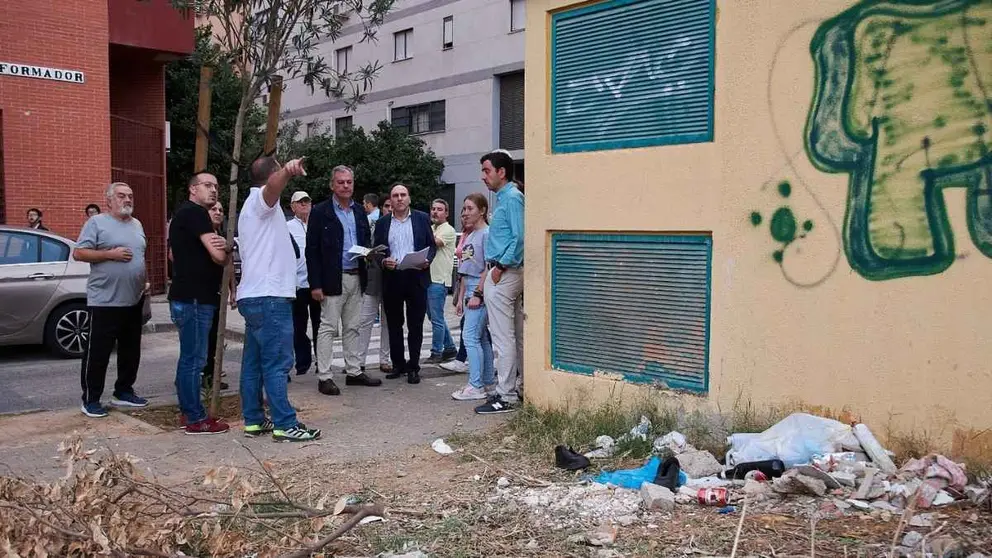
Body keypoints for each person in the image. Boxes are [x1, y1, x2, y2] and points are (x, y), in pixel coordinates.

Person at [238, 156, 321, 441]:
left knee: (254, 363)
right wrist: (288, 171)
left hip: (256, 296)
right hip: (269, 297)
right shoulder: (261, 202)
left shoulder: (252, 207)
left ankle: (253, 420)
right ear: (272, 174)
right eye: (278, 170)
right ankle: (285, 424)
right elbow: (272, 188)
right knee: (277, 363)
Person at [74, 182, 149, 417]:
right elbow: (79, 253)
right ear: (109, 201)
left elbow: (140, 256)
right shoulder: (97, 223)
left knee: (130, 352)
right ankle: (91, 399)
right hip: (104, 301)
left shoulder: (137, 224)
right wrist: (110, 254)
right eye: (121, 196)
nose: (127, 200)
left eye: (130, 196)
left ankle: (123, 392)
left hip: (133, 299)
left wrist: (144, 283)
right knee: (98, 353)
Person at [306, 166, 380, 396]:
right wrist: (315, 284)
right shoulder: (320, 212)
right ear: (332, 185)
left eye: (349, 182)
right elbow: (312, 250)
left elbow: (364, 240)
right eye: (341, 182)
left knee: (353, 327)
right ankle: (324, 376)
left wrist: (369, 253)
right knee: (328, 327)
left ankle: (354, 371)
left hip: (356, 275)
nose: (346, 186)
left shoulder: (359, 211)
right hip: (332, 278)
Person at [169, 173, 231, 434]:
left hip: (188, 296)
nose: (213, 190)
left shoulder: (184, 214)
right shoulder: (196, 214)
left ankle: (189, 411)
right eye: (207, 185)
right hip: (194, 298)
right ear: (193, 189)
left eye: (216, 186)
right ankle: (195, 418)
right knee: (194, 361)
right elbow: (219, 256)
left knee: (189, 359)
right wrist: (227, 247)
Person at [473, 151, 524, 414]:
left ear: (501, 172)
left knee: (504, 338)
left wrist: (501, 267)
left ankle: (506, 395)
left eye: (487, 171)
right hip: (504, 271)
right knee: (514, 335)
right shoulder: (507, 197)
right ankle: (518, 388)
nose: (483, 176)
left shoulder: (512, 198)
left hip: (505, 272)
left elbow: (520, 237)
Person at [375, 183, 436, 384]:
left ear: (409, 198)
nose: (399, 198)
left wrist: (428, 260)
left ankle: (414, 367)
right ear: (390, 200)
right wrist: (383, 260)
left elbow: (432, 246)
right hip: (393, 277)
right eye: (395, 195)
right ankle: (398, 364)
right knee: (394, 324)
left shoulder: (422, 218)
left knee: (415, 324)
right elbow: (377, 251)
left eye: (403, 195)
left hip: (416, 275)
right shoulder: (382, 223)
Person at [451, 193, 496, 401]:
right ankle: (487, 382)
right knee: (481, 337)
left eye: (470, 209)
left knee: (470, 337)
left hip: (479, 288)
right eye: (464, 209)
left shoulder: (486, 234)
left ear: (482, 211)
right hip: (469, 287)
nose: (465, 213)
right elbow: (465, 269)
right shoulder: (471, 235)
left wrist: (478, 293)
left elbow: (488, 266)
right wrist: (461, 297)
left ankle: (476, 385)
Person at [286, 190, 321, 378]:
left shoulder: (318, 225)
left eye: (307, 201)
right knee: (298, 326)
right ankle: (302, 362)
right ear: (293, 206)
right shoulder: (287, 227)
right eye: (300, 202)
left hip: (316, 283)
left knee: (320, 326)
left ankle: (322, 362)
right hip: (297, 284)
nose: (304, 205)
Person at [357, 197, 392, 374]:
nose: (389, 209)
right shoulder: (374, 224)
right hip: (373, 278)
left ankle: (385, 359)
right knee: (365, 320)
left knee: (388, 322)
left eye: (391, 206)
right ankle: (359, 360)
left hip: (391, 279)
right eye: (386, 206)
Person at [202, 201, 234, 393]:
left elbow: (228, 265)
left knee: (214, 337)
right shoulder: (200, 234)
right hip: (201, 295)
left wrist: (233, 290)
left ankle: (210, 376)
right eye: (213, 209)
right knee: (201, 339)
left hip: (218, 295)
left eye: (221, 210)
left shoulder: (221, 236)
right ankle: (198, 377)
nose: (218, 212)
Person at [425, 199, 458, 364]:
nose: (435, 212)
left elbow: (435, 242)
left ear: (446, 213)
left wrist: (421, 230)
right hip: (429, 278)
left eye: (439, 209)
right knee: (434, 316)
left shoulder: (448, 230)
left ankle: (436, 352)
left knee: (437, 318)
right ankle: (450, 347)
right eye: (433, 209)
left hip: (439, 279)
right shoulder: (431, 228)